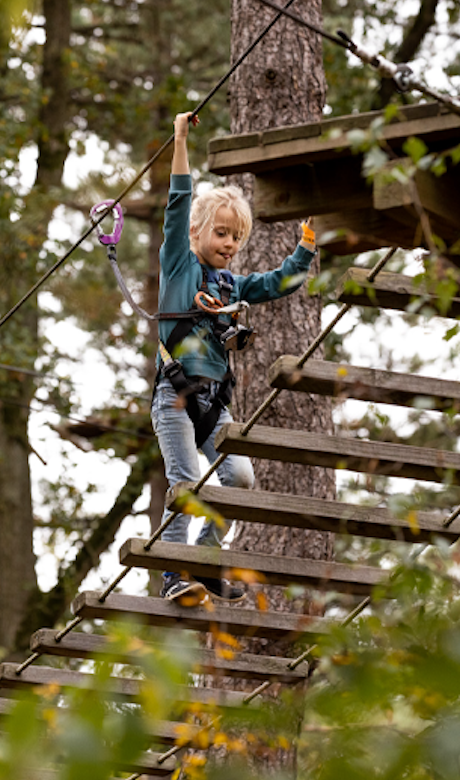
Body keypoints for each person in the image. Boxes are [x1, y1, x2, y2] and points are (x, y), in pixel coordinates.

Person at [153, 112, 317, 603]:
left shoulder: (232, 286)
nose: (229, 244)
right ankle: (173, 574)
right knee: (186, 482)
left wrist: (305, 248)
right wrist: (181, 140)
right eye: (221, 233)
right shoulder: (179, 266)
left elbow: (277, 283)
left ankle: (205, 559)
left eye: (236, 238)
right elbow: (178, 203)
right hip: (175, 397)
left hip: (214, 403)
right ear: (197, 232)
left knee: (240, 478)